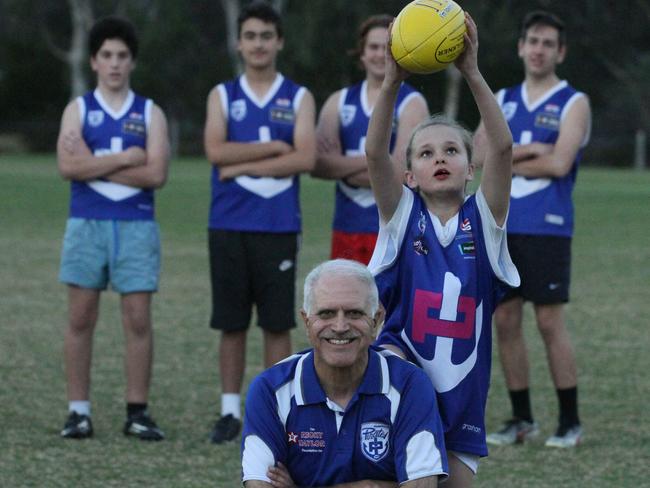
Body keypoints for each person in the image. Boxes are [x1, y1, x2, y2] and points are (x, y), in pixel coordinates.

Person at [366, 13, 520, 488]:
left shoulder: (486, 221)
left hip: (462, 395)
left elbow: (503, 149)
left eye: (451, 151)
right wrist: (392, 80)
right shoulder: (400, 217)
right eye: (426, 153)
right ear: (409, 174)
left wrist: (472, 72)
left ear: (469, 168)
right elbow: (374, 155)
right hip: (402, 369)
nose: (439, 159)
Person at [473, 11, 591, 449]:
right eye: (532, 41)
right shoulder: (501, 98)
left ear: (560, 52)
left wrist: (509, 153)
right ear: (520, 47)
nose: (539, 49)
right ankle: (522, 418)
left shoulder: (573, 102)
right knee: (505, 320)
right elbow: (481, 156)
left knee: (548, 322)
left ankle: (569, 420)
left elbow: (560, 163)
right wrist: (531, 148)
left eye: (548, 43)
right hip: (502, 225)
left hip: (548, 227)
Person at [203, 0, 316, 444]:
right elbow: (216, 152)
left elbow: (305, 156)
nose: (258, 44)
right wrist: (275, 148)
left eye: (266, 36)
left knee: (275, 323)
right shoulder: (222, 95)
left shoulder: (298, 96)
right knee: (231, 322)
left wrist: (242, 158)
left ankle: (275, 412)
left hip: (278, 225)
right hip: (229, 224)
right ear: (239, 43)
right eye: (250, 36)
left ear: (279, 41)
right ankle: (230, 411)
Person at [56, 16, 169, 440]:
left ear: (132, 62)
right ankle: (78, 412)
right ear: (94, 61)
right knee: (80, 317)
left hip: (137, 226)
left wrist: (94, 163)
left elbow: (156, 174)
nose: (115, 63)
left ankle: (137, 411)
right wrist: (127, 158)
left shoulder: (149, 112)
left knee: (138, 319)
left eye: (122, 56)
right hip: (86, 224)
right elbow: (68, 166)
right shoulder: (78, 109)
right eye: (107, 55)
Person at [241, 259, 448, 487]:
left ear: (376, 320)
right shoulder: (270, 390)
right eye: (327, 313)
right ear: (306, 321)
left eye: (354, 313)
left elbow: (422, 485)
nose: (340, 326)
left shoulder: (410, 385)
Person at [313, 14, 429, 265]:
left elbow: (401, 174)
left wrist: (343, 165)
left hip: (394, 226)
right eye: (373, 47)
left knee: (388, 304)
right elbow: (319, 165)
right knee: (345, 301)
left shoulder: (412, 103)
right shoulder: (338, 101)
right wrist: (378, 161)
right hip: (347, 225)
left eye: (386, 47)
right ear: (361, 53)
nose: (379, 54)